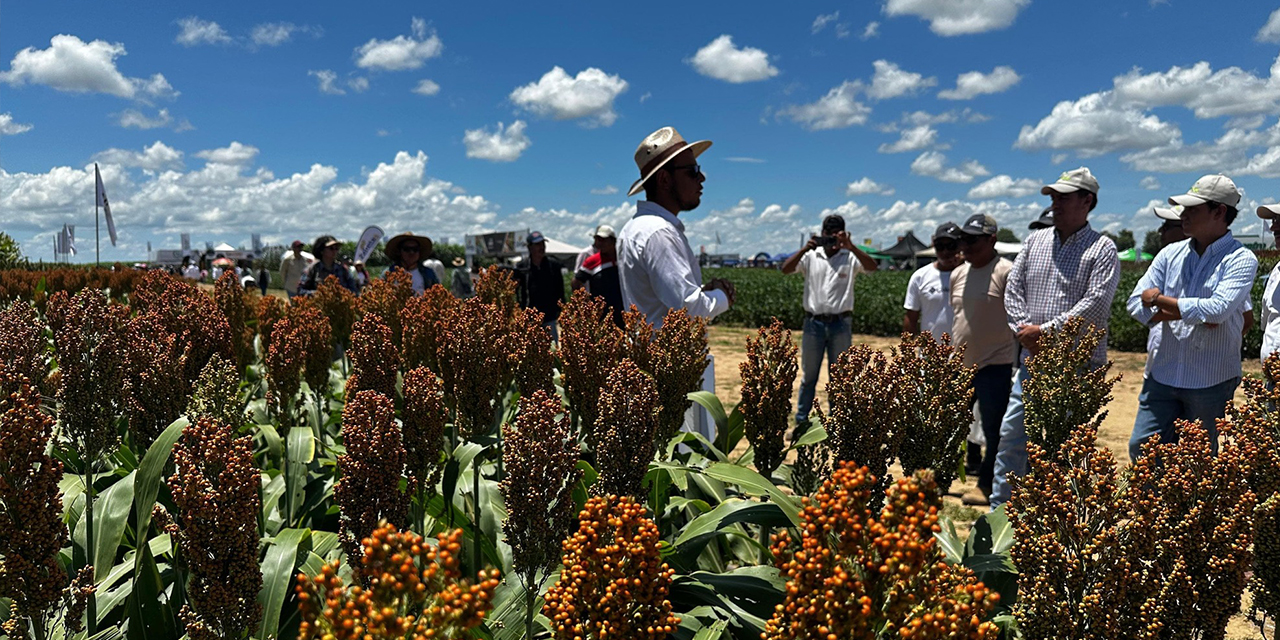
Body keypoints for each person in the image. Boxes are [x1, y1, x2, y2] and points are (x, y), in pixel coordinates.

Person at [991, 167, 1120, 509]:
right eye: (1052, 197)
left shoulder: (1102, 249)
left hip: (1076, 370)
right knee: (1013, 440)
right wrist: (1023, 330)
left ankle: (1051, 522)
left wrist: (1043, 333)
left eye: (1063, 197)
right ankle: (999, 515)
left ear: (1087, 201)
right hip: (1032, 364)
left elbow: (1095, 305)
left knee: (1063, 449)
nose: (1054, 204)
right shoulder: (1035, 241)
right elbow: (1013, 290)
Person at [1126, 175, 1257, 461]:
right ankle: (1155, 507)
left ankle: (1185, 508)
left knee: (1197, 462)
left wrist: (1158, 301)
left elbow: (1218, 310)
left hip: (1211, 379)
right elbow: (1135, 304)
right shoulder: (1168, 255)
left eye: (1192, 209)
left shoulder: (1241, 259)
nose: (1183, 215)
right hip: (1162, 372)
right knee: (1142, 448)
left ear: (1219, 212)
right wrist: (1192, 312)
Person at [618, 126, 735, 442]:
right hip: (671, 372)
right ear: (665, 180)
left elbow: (666, 297)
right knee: (685, 463)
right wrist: (722, 297)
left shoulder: (636, 229)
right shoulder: (660, 233)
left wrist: (703, 290)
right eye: (692, 171)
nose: (702, 178)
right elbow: (686, 309)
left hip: (652, 363)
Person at [780, 213, 880, 425]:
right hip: (813, 323)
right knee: (809, 378)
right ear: (821, 234)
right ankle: (801, 422)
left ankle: (837, 423)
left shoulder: (850, 256)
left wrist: (851, 246)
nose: (832, 240)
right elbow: (785, 269)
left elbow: (872, 267)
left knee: (840, 378)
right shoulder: (811, 256)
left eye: (837, 235)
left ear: (844, 234)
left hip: (841, 324)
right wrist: (804, 249)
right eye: (828, 235)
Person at [950, 214, 1017, 506]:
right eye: (962, 239)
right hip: (959, 365)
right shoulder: (958, 273)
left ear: (992, 240)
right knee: (949, 426)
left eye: (972, 240)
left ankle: (986, 484)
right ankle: (938, 480)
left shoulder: (1006, 272)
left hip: (994, 365)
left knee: (993, 430)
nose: (964, 245)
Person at [904, 222, 961, 338]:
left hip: (965, 352)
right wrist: (908, 349)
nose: (945, 252)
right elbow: (911, 317)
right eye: (940, 246)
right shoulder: (920, 276)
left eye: (951, 246)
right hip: (930, 353)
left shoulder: (971, 274)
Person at [516, 231, 566, 339]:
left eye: (543, 244)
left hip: (550, 316)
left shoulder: (553, 266)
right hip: (530, 317)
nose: (541, 247)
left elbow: (560, 290)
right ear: (530, 248)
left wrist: (562, 310)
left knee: (553, 350)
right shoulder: (522, 267)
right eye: (537, 245)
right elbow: (516, 290)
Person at [571, 224, 623, 325]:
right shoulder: (592, 261)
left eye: (603, 240)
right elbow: (576, 282)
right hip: (601, 314)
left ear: (613, 241)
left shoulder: (621, 258)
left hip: (621, 310)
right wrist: (583, 304)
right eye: (598, 239)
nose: (600, 243)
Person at [1258, 203, 1280, 364]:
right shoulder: (1276, 272)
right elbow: (1268, 324)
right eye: (1274, 220)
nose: (1273, 227)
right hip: (1273, 379)